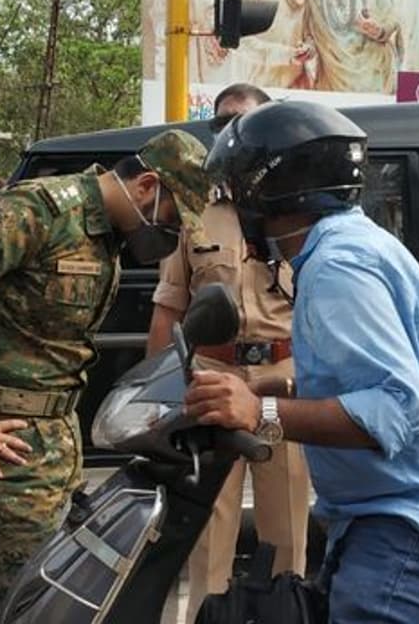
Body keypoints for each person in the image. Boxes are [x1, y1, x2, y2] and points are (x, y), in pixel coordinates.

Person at [187, 100, 419, 624]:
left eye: (240, 191)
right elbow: (369, 378)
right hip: (391, 515)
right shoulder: (348, 246)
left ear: (271, 191)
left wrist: (259, 412)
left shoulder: (337, 266)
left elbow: (395, 412)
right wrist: (285, 387)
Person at [0, 130, 212, 624]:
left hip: (57, 437)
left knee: (58, 599)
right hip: (8, 440)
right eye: (175, 219)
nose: (172, 234)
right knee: (23, 607)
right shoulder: (42, 209)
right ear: (147, 186)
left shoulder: (106, 236)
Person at [148, 84, 310, 622]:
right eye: (221, 125)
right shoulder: (196, 213)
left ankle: (286, 613)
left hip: (282, 376)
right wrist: (159, 396)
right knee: (206, 528)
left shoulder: (297, 210)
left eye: (245, 122)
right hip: (212, 376)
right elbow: (170, 308)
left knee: (286, 530)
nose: (232, 134)